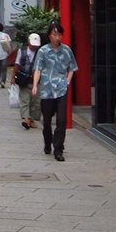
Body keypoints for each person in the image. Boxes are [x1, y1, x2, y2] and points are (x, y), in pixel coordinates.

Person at [32, 21, 78, 162]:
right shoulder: (43, 51)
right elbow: (38, 69)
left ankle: (58, 149)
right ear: (49, 36)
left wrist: (68, 81)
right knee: (46, 121)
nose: (57, 37)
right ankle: (47, 142)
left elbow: (72, 67)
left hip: (61, 89)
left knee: (62, 120)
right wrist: (35, 85)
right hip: (46, 90)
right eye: (54, 34)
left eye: (59, 34)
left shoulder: (66, 50)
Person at [11, 33, 42, 130]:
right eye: (33, 44)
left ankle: (31, 119)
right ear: (29, 42)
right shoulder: (22, 51)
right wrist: (13, 77)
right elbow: (17, 64)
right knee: (25, 100)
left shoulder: (40, 52)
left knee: (35, 102)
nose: (34, 47)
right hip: (24, 79)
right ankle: (26, 119)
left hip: (37, 81)